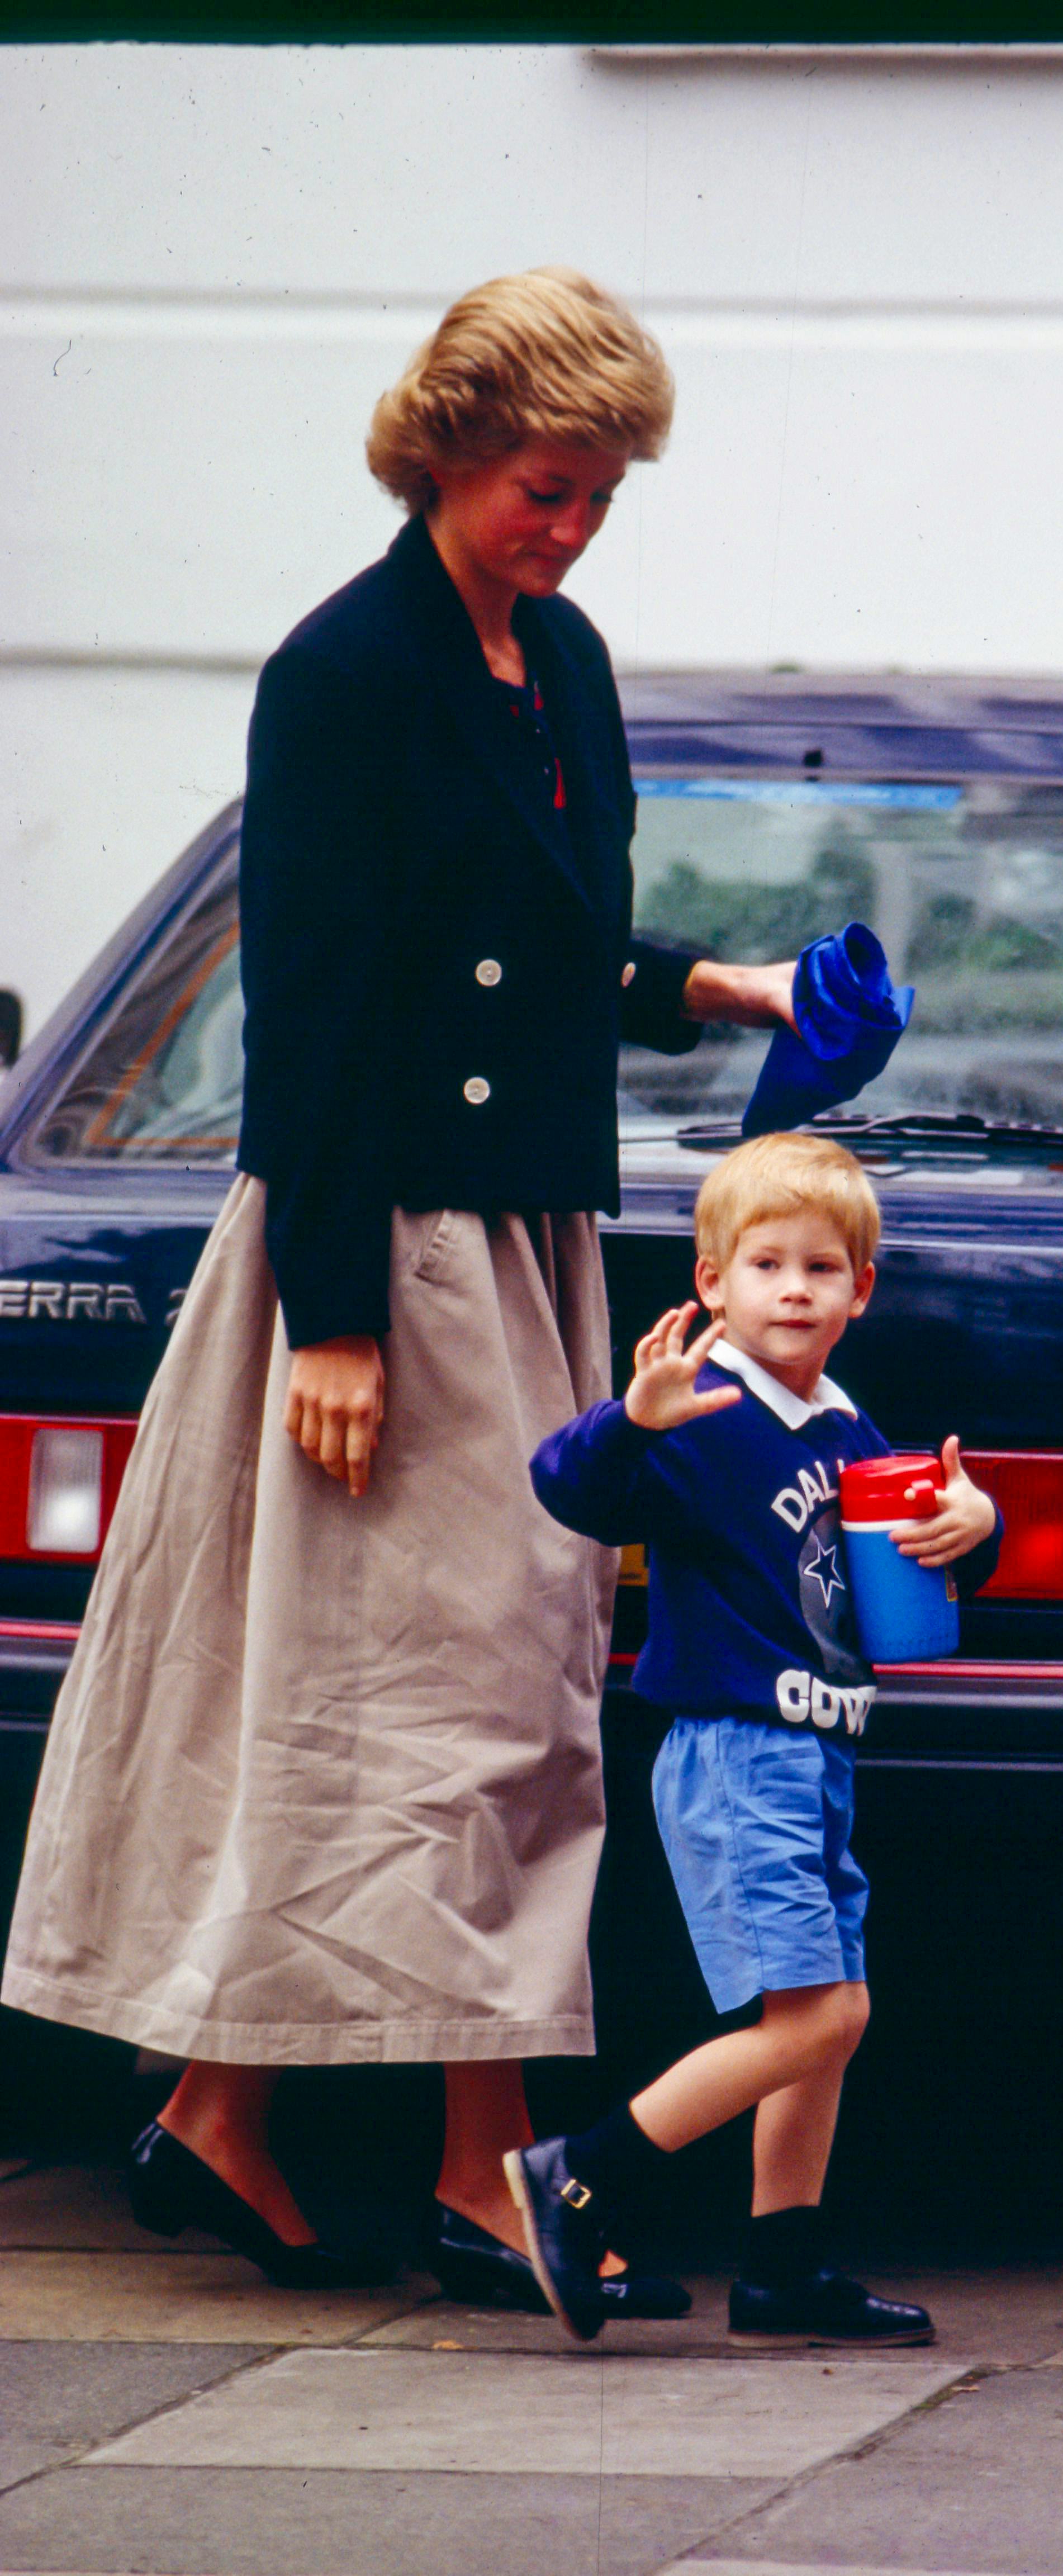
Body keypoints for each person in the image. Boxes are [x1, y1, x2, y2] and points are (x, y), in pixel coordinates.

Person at [2, 269, 800, 2312]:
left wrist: (716, 985)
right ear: (448, 440)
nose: (572, 527)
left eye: (602, 496)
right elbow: (324, 1007)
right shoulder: (343, 668)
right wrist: (334, 1307)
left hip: (526, 1235)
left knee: (472, 1699)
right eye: (548, 485)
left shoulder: (565, 657)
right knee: (471, 1701)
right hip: (391, 1252)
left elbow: (546, 944)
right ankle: (442, 2160)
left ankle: (245, 2114)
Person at [509, 1131, 1002, 2343]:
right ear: (712, 1282)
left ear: (860, 1289)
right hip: (737, 1756)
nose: (794, 1288)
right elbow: (568, 1486)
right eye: (766, 1265)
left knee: (829, 2017)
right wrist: (633, 1417)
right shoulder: (705, 1409)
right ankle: (580, 2175)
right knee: (816, 2017)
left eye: (821, 1268)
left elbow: (913, 1560)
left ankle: (784, 2266)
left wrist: (971, 1523)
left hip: (820, 1753)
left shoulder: (844, 1425)